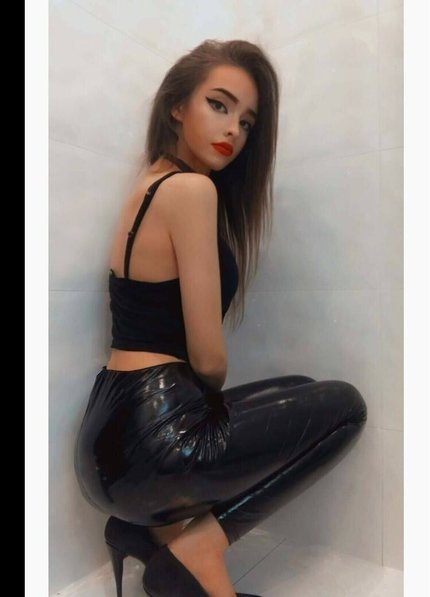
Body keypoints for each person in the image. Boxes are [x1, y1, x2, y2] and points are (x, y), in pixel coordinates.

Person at [74, 39, 367, 597]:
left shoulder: (147, 185)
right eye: (219, 104)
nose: (233, 130)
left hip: (107, 436)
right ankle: (196, 550)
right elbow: (208, 359)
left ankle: (154, 535)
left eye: (247, 122)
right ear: (177, 106)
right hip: (156, 441)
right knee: (346, 408)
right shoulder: (192, 190)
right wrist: (203, 401)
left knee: (299, 389)